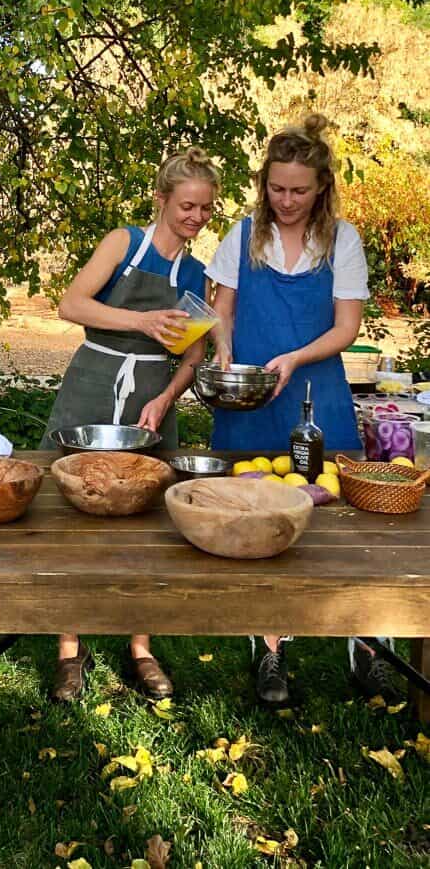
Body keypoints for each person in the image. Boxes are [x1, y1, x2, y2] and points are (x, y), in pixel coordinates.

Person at [206, 112, 400, 707]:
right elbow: (223, 311)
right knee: (253, 521)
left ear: (322, 189)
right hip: (252, 402)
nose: (286, 201)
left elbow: (347, 327)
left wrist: (292, 357)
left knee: (342, 521)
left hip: (318, 395)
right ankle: (269, 647)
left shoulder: (343, 240)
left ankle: (367, 645)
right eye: (276, 188)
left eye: (299, 190)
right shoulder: (242, 237)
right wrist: (224, 353)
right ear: (264, 183)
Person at [40, 148, 220, 702]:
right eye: (187, 205)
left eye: (206, 209)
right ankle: (70, 648)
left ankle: (140, 646)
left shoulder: (196, 273)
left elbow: (196, 352)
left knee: (150, 526)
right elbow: (71, 304)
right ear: (162, 199)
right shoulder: (124, 243)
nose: (196, 217)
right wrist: (140, 319)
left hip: (149, 394)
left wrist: (168, 395)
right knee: (68, 513)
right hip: (93, 380)